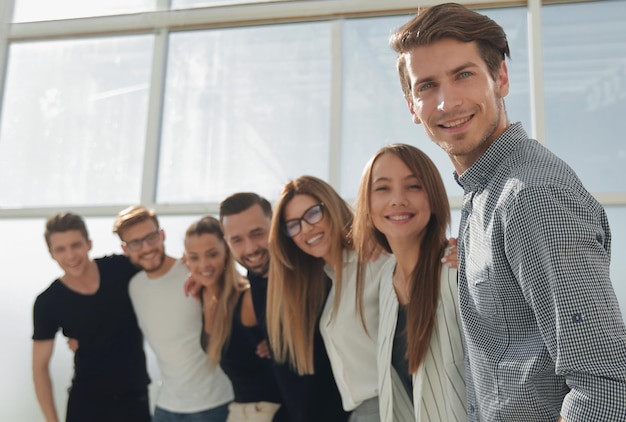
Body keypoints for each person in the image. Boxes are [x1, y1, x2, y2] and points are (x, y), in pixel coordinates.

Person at [390, 3, 626, 421]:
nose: (446, 103)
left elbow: (605, 386)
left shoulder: (531, 196)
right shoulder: (486, 195)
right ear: (412, 105)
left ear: (500, 78)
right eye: (427, 86)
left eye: (463, 75)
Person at [353, 144, 466, 422]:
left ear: (434, 197)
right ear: (367, 204)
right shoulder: (385, 280)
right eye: (382, 189)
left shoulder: (457, 269)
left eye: (413, 186)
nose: (398, 200)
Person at [217, 192, 348, 422]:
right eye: (237, 240)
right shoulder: (256, 280)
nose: (250, 249)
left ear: (275, 226)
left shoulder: (313, 268)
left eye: (257, 234)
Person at [266, 175, 386, 421]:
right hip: (359, 412)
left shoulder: (376, 262)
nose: (306, 229)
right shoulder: (330, 283)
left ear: (331, 207)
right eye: (293, 224)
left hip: (389, 406)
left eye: (312, 213)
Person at [113, 206, 234, 421]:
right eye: (135, 243)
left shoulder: (195, 272)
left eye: (151, 237)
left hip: (213, 403)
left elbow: (236, 295)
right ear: (126, 249)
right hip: (166, 406)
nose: (147, 248)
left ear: (162, 235)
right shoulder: (135, 287)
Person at [32, 212, 150, 422]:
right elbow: (40, 367)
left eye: (76, 245)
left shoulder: (120, 268)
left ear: (89, 243)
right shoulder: (48, 302)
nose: (70, 256)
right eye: (61, 249)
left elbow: (157, 267)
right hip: (86, 406)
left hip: (135, 401)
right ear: (51, 253)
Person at [183, 215, 286, 422]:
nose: (203, 264)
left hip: (268, 412)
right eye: (194, 257)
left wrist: (278, 341)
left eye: (212, 254)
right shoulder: (203, 295)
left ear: (227, 252)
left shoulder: (247, 296)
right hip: (239, 411)